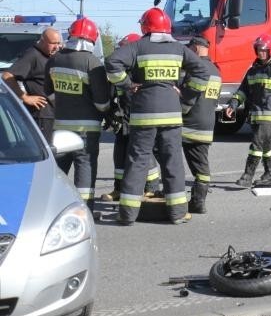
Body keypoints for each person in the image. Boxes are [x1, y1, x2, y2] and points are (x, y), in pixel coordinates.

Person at [105, 8, 208, 225]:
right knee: (172, 162)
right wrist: (186, 95)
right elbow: (202, 72)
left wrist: (127, 85)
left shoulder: (137, 47)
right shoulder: (178, 49)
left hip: (143, 115)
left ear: (145, 26)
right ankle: (178, 213)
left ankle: (127, 215)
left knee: (137, 162)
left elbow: (112, 63)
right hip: (171, 114)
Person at [44, 18, 111, 212]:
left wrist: (64, 105)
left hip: (61, 125)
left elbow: (49, 92)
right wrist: (106, 112)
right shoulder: (92, 62)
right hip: (87, 129)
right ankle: (84, 210)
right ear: (92, 38)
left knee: (59, 170)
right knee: (85, 167)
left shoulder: (54, 60)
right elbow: (101, 102)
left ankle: (54, 207)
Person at [99, 33, 162, 202]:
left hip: (141, 119)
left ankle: (151, 189)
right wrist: (111, 114)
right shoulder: (119, 72)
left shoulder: (142, 71)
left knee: (145, 153)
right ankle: (119, 188)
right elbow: (112, 95)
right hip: (123, 119)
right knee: (120, 153)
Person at [225, 34, 271, 187]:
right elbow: (243, 91)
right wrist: (233, 104)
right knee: (265, 144)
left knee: (256, 144)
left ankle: (247, 176)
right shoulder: (252, 71)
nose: (260, 52)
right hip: (255, 114)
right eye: (258, 49)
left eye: (264, 50)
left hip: (269, 114)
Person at [180, 36, 221, 213]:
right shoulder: (216, 71)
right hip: (207, 124)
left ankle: (196, 201)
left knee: (194, 164)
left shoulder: (195, 69)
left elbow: (187, 96)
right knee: (200, 163)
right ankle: (198, 200)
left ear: (196, 48)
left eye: (189, 49)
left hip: (189, 125)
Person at [1, 27, 62, 142]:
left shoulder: (49, 55)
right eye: (53, 43)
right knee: (45, 152)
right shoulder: (33, 55)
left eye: (58, 43)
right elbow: (7, 76)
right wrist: (25, 97)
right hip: (41, 116)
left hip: (52, 114)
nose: (57, 47)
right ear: (43, 41)